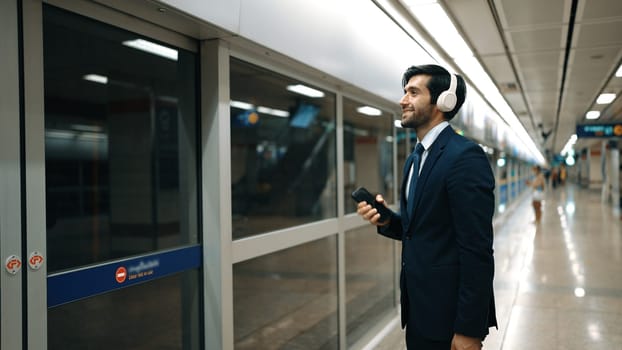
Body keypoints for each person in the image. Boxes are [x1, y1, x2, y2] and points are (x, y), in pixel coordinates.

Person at [357, 64, 497, 349]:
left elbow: (476, 248)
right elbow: (421, 230)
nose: (402, 100)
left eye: (413, 92)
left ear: (442, 102)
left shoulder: (465, 157)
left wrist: (469, 328)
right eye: (404, 92)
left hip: (450, 317)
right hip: (419, 309)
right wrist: (387, 221)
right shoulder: (415, 159)